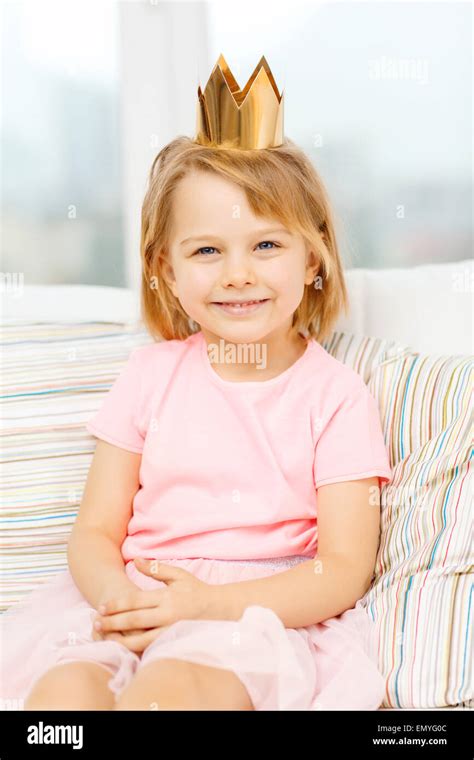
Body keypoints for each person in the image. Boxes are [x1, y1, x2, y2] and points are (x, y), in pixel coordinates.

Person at [0, 55, 392, 711]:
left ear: (314, 257)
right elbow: (94, 532)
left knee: (171, 693)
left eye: (266, 246)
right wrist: (118, 600)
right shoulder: (149, 377)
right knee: (62, 695)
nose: (237, 273)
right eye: (208, 250)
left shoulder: (337, 399)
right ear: (166, 270)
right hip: (135, 600)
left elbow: (343, 568)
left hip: (250, 619)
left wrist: (208, 604)